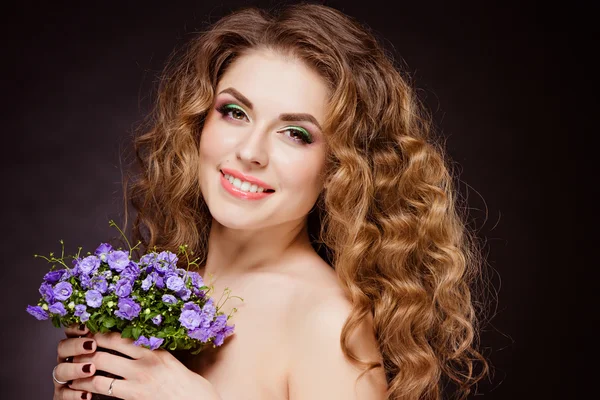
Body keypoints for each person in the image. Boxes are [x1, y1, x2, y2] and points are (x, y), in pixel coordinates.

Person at [51, 3, 489, 400]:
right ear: (199, 122)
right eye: (234, 112)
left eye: (295, 134)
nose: (250, 152)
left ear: (340, 167)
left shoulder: (323, 323)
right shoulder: (166, 285)